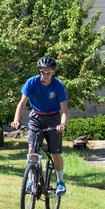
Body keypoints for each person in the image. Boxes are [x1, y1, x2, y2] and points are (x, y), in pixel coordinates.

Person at [11, 57, 69, 195]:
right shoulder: (31, 82)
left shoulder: (58, 86)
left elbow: (65, 109)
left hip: (53, 118)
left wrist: (62, 124)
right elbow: (22, 103)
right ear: (39, 71)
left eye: (49, 72)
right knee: (32, 150)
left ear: (53, 72)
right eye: (43, 72)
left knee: (55, 152)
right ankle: (31, 181)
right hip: (36, 117)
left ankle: (60, 182)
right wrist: (16, 120)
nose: (45, 75)